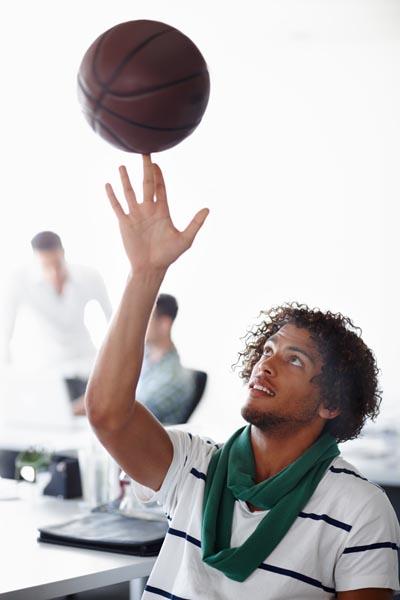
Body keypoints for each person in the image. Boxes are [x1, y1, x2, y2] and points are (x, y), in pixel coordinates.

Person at [85, 156, 399, 599]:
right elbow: (108, 414)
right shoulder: (193, 464)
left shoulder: (360, 509)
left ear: (331, 403)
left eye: (294, 360)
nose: (265, 364)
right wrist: (145, 273)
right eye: (267, 350)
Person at [0, 231, 112, 411]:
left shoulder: (89, 276)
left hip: (86, 367)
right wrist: (8, 383)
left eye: (58, 264)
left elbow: (112, 320)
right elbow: (5, 331)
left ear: (63, 253)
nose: (54, 273)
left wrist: (112, 367)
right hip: (48, 374)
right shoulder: (18, 281)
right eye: (46, 266)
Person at [135, 293, 196, 424]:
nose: (139, 324)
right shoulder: (145, 357)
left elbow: (130, 417)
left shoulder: (173, 378)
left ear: (164, 324)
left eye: (146, 318)